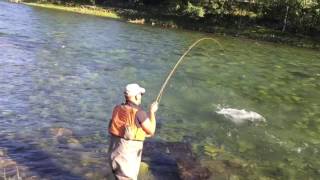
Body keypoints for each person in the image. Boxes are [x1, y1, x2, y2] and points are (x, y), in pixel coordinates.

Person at [108, 83, 158, 180]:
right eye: (140, 95)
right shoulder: (139, 113)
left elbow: (128, 127)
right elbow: (151, 131)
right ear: (136, 96)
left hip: (114, 157)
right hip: (126, 162)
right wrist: (152, 112)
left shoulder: (117, 109)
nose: (140, 97)